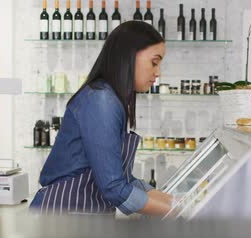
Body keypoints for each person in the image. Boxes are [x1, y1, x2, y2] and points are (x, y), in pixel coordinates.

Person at [30, 21, 172, 217]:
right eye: (154, 62)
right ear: (128, 56)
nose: (158, 73)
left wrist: (175, 201)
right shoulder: (101, 100)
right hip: (63, 215)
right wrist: (176, 211)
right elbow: (115, 188)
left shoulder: (111, 98)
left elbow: (125, 180)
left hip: (82, 216)